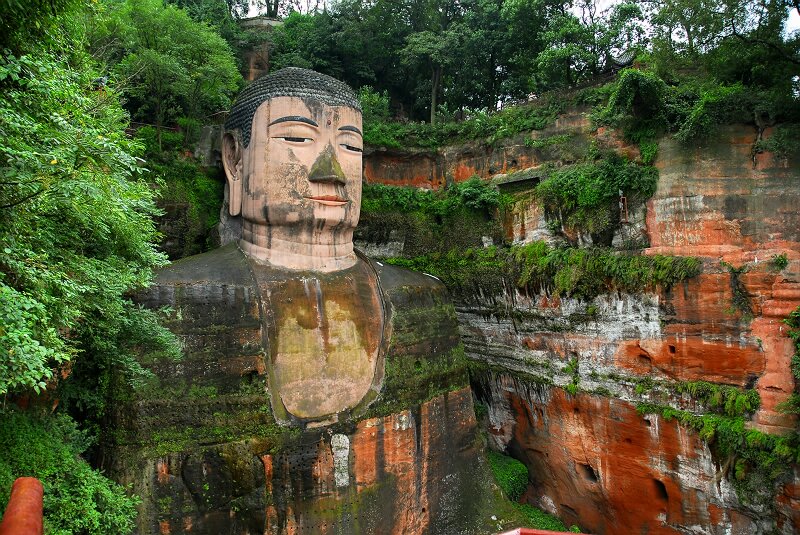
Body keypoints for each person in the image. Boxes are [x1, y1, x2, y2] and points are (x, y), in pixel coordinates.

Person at [117, 68, 485, 534]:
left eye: (350, 146)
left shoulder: (419, 299)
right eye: (297, 137)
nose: (330, 170)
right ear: (234, 159)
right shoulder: (171, 298)